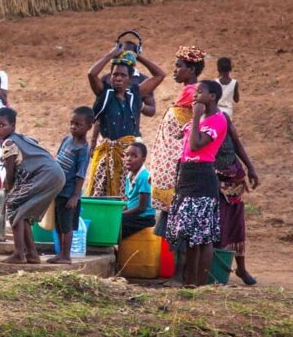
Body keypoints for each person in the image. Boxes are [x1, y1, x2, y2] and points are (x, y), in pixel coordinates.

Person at [149, 46, 205, 286]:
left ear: (191, 70)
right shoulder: (189, 93)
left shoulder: (193, 94)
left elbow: (188, 134)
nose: (175, 70)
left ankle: (180, 275)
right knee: (173, 222)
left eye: (179, 66)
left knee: (178, 223)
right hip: (171, 170)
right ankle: (179, 274)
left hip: (176, 171)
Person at [84, 46, 166, 198]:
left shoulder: (135, 94)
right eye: (115, 75)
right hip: (106, 153)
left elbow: (160, 75)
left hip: (127, 155)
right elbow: (92, 73)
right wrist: (110, 55)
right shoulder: (105, 93)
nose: (118, 78)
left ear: (130, 78)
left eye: (123, 75)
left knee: (124, 196)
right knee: (99, 192)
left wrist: (138, 57)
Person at [167, 80, 227, 288]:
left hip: (202, 176)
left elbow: (195, 145)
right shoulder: (202, 119)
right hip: (188, 175)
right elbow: (180, 138)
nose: (195, 96)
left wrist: (193, 118)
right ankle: (189, 281)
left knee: (202, 235)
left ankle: (199, 283)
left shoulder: (217, 120)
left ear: (212, 97)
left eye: (200, 92)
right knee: (190, 233)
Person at [0, 107, 64, 265]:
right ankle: (32, 254)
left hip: (45, 175)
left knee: (13, 205)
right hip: (54, 175)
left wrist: (7, 190)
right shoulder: (20, 138)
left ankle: (19, 254)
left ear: (12, 126)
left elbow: (9, 175)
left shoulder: (9, 143)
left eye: (2, 125)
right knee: (21, 210)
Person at [213, 107, 260, 285]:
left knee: (235, 225)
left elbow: (236, 144)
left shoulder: (223, 118)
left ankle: (241, 268)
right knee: (216, 226)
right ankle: (214, 268)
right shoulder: (197, 120)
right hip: (212, 180)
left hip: (232, 180)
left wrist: (251, 168)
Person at [48, 107, 92, 264]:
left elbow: (80, 174)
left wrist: (75, 195)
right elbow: (58, 160)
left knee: (67, 226)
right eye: (72, 123)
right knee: (59, 224)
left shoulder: (83, 150)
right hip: (58, 190)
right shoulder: (66, 140)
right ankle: (60, 253)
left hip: (69, 193)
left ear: (88, 127)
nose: (73, 127)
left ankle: (66, 255)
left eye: (78, 124)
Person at [121, 142, 156, 238]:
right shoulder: (129, 176)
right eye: (127, 155)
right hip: (135, 216)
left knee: (118, 222)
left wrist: (121, 214)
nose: (128, 159)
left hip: (144, 218)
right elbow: (131, 200)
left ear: (143, 159)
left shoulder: (144, 177)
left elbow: (141, 208)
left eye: (134, 156)